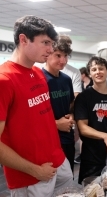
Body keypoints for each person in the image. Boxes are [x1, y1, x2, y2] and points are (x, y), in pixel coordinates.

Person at [0, 15, 72, 196]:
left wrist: (59, 155)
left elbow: (41, 120)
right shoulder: (4, 80)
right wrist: (34, 170)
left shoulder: (38, 73)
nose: (50, 49)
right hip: (31, 175)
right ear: (23, 39)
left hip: (58, 162)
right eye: (45, 43)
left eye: (52, 43)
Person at [74, 56, 107, 184]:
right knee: (91, 190)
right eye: (94, 69)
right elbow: (82, 128)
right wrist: (105, 136)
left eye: (101, 68)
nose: (98, 72)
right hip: (92, 155)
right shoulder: (84, 97)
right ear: (90, 74)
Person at [42, 35, 76, 174]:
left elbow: (71, 104)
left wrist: (72, 115)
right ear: (48, 54)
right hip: (49, 139)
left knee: (68, 178)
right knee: (52, 180)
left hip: (67, 137)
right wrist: (56, 123)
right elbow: (32, 116)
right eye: (58, 55)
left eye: (65, 56)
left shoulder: (66, 79)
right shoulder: (40, 79)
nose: (63, 60)